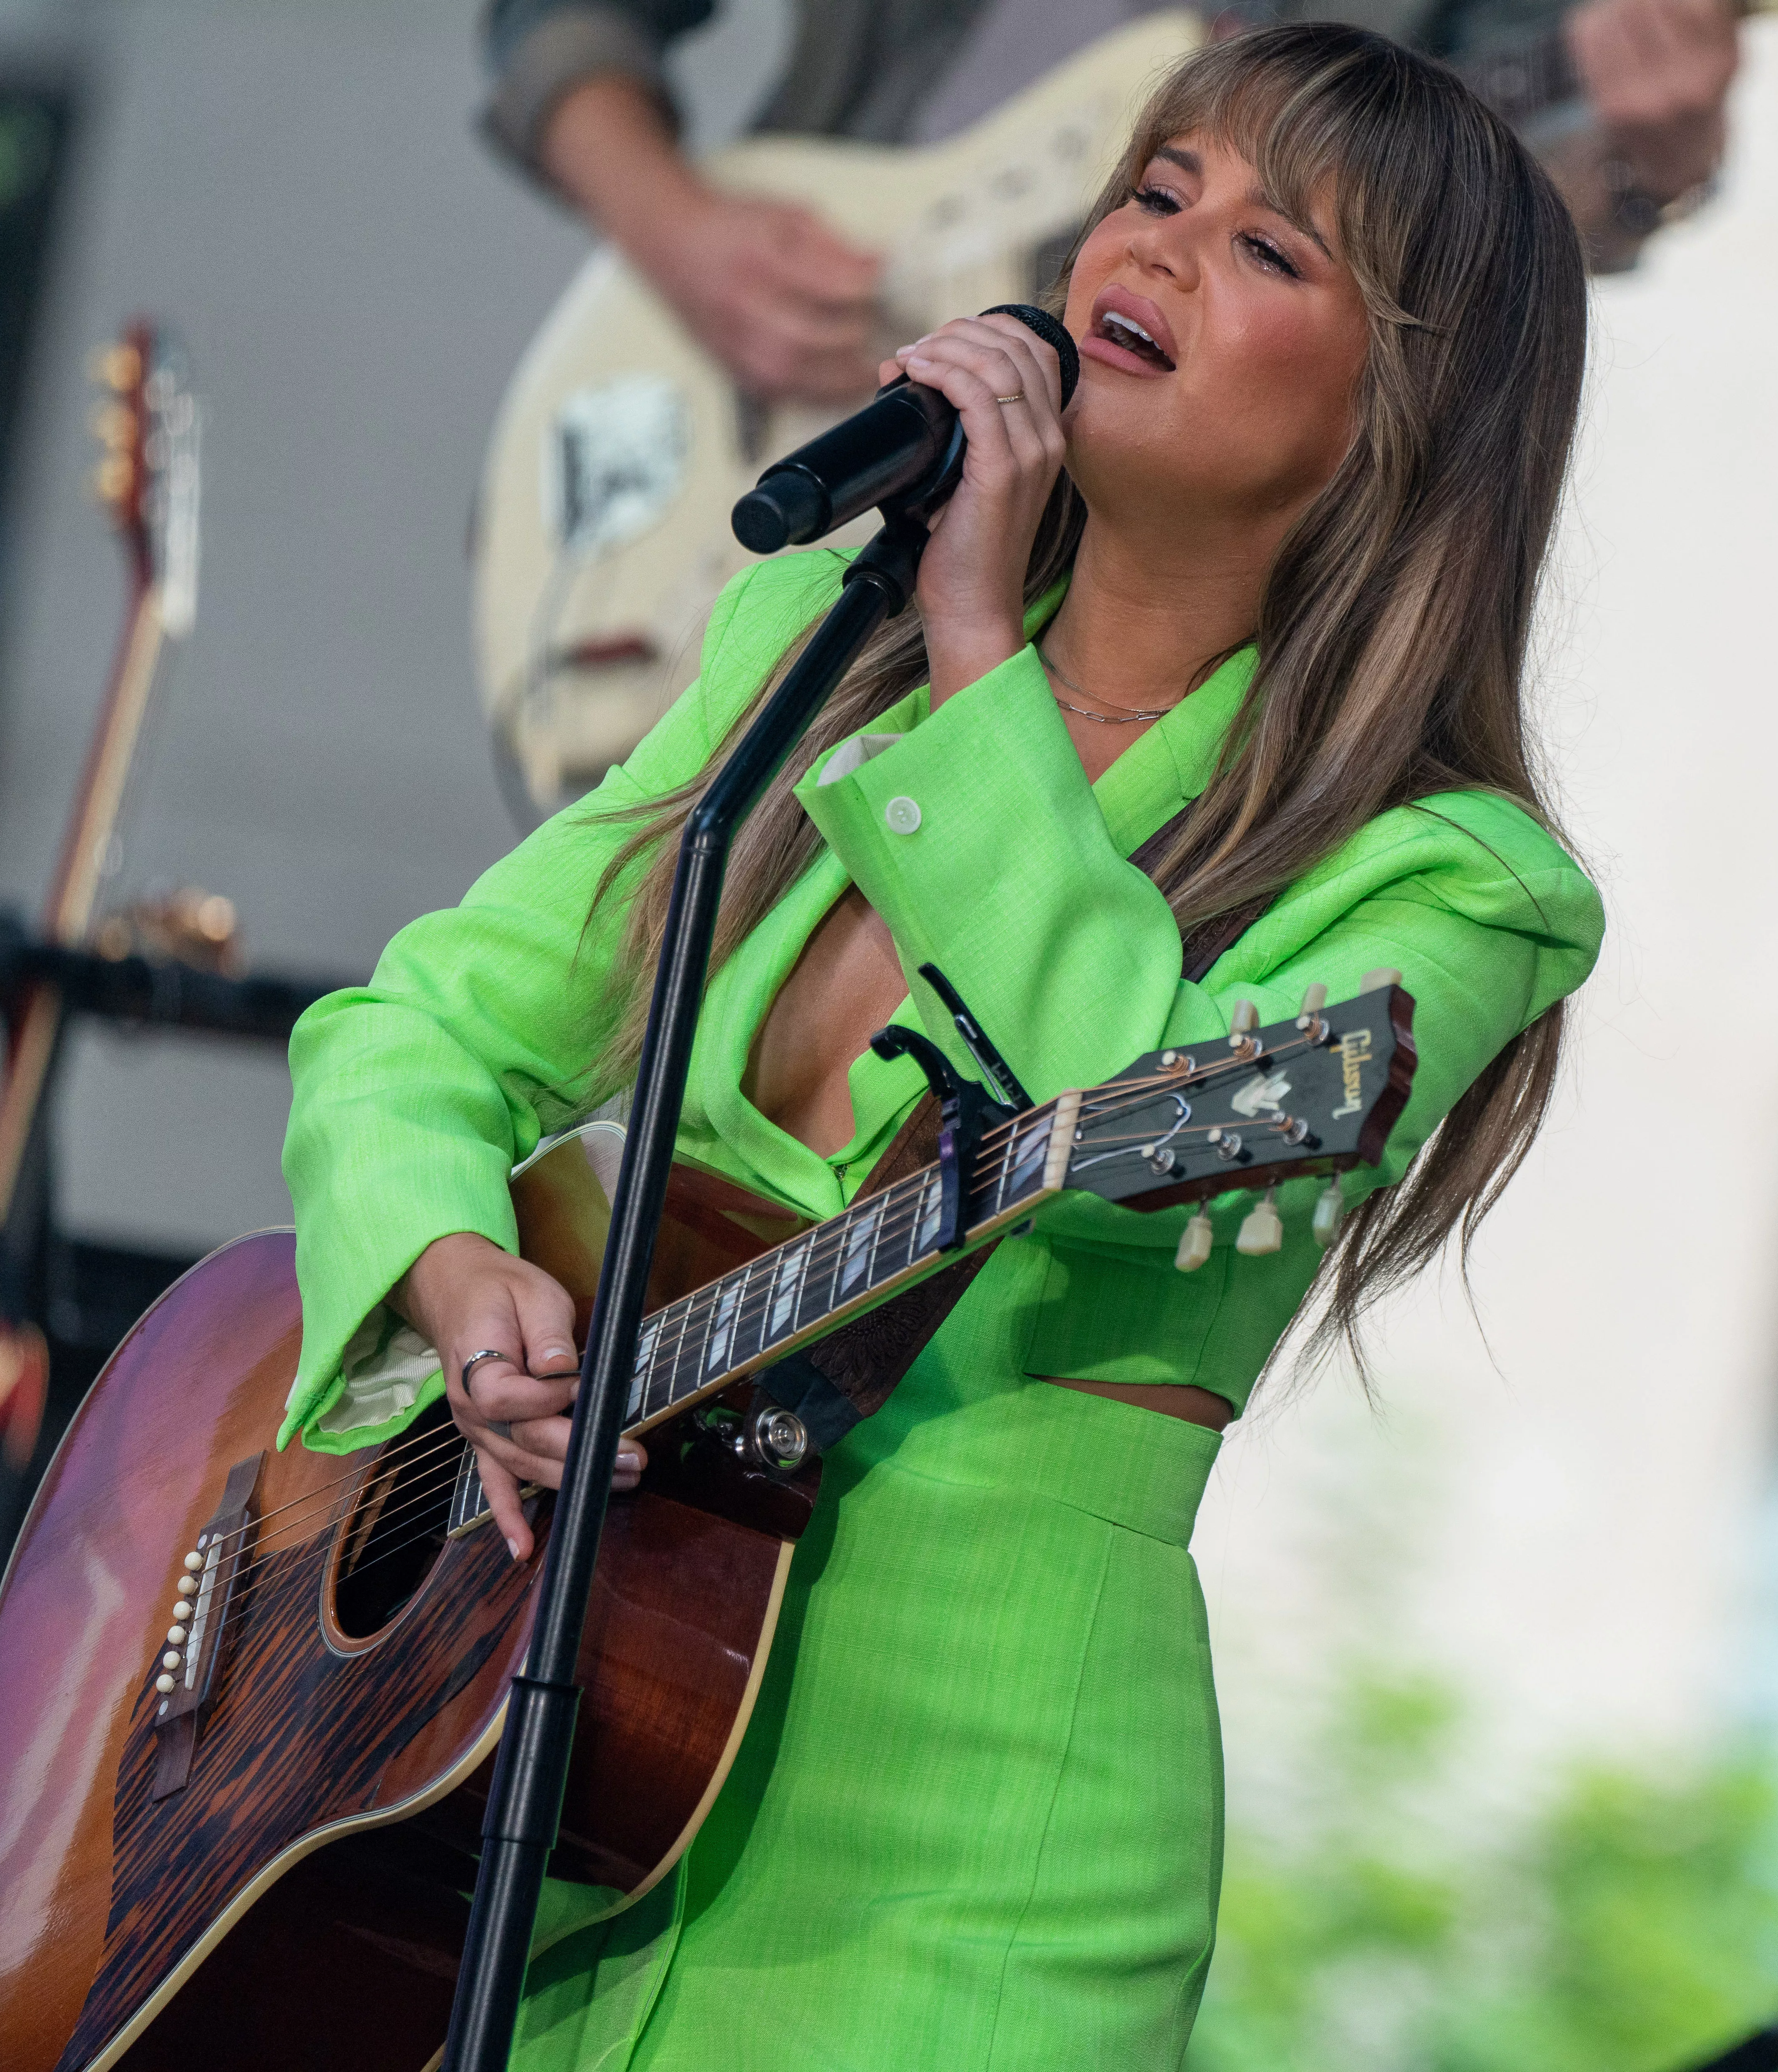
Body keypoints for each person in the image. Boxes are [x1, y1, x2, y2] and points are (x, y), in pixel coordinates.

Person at [282, 25, 1603, 2067]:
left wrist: (989, 648)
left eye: (1274, 251)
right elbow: (420, 1027)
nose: (1160, 249)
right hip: (551, 1804)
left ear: (1396, 415)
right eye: (1157, 192)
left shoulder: (1457, 882)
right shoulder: (818, 643)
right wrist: (463, 1287)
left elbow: (1119, 1100)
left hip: (974, 1883)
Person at [483, 0, 1738, 403]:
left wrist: (1645, 159)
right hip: (757, 386)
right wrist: (680, 234)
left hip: (1098, 553)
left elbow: (1482, 221)